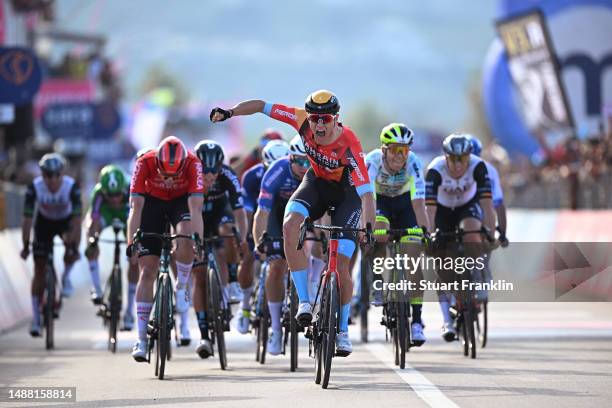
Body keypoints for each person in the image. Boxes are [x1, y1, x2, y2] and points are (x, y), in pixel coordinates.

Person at [210, 89, 376, 356]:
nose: (319, 125)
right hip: (316, 185)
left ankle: (343, 330)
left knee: (342, 264)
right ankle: (305, 303)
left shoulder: (349, 142)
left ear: (336, 119)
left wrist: (368, 229)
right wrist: (230, 113)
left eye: (326, 119)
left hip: (347, 196)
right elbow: (261, 105)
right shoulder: (299, 120)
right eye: (315, 119)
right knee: (290, 225)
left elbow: (366, 193)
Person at [127, 136, 203, 362]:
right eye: (165, 174)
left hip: (181, 203)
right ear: (157, 162)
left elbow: (196, 208)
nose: (169, 178)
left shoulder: (193, 163)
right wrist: (132, 242)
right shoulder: (145, 162)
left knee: (186, 234)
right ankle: (141, 339)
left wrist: (197, 239)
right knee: (147, 270)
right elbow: (136, 207)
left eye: (174, 174)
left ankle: (181, 286)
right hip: (152, 203)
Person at [365, 123, 431, 345]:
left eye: (404, 150)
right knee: (381, 233)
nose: (399, 156)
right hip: (380, 203)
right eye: (395, 150)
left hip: (405, 206)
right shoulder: (372, 161)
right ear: (384, 150)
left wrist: (425, 232)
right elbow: (368, 199)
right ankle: (377, 282)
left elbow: (419, 202)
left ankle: (417, 321)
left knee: (413, 261)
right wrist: (369, 229)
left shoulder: (414, 163)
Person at [425, 134, 495, 341]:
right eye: (453, 159)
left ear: (469, 157)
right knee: (442, 267)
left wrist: (490, 234)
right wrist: (429, 236)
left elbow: (487, 206)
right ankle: (447, 320)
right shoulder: (435, 169)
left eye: (462, 159)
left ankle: (479, 274)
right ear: (445, 157)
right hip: (442, 211)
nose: (457, 165)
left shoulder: (478, 166)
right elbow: (429, 210)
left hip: (467, 206)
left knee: (473, 233)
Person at [253, 135, 310, 355]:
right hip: (278, 214)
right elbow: (262, 213)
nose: (305, 168)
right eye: (300, 162)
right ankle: (276, 328)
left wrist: (322, 239)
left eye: (309, 162)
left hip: (306, 212)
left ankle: (309, 297)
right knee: (276, 266)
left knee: (314, 251)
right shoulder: (277, 170)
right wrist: (260, 242)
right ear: (290, 158)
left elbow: (323, 211)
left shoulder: (314, 173)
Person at [191, 140, 249, 358]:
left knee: (228, 230)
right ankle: (204, 334)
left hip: (219, 213)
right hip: (196, 216)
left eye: (213, 172)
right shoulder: (189, 174)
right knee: (199, 275)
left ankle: (232, 279)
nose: (209, 177)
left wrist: (242, 238)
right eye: (205, 172)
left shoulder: (227, 175)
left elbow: (240, 212)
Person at [20, 153, 82, 337]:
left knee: (70, 249)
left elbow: (78, 221)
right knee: (39, 268)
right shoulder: (34, 188)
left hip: (65, 223)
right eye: (48, 175)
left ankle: (65, 278)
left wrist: (74, 247)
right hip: (44, 224)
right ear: (42, 175)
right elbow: (27, 219)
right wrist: (25, 244)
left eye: (57, 175)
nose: (53, 180)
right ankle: (36, 319)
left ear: (62, 174)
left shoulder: (71, 187)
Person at [237, 139, 291, 334]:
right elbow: (250, 213)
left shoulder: (292, 172)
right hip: (261, 213)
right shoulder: (253, 176)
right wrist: (253, 240)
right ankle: (244, 306)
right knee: (250, 255)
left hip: (283, 209)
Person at [85, 165, 139, 330]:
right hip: (106, 213)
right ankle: (97, 289)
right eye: (111, 195)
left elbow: (137, 218)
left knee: (135, 257)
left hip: (126, 214)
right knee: (91, 241)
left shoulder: (131, 188)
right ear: (104, 191)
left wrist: (134, 245)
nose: (115, 199)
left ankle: (130, 311)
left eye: (118, 195)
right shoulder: (98, 193)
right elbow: (92, 219)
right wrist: (92, 239)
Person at [467, 135, 509, 247]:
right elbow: (499, 205)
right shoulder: (490, 169)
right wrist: (503, 235)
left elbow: (499, 205)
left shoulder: (490, 170)